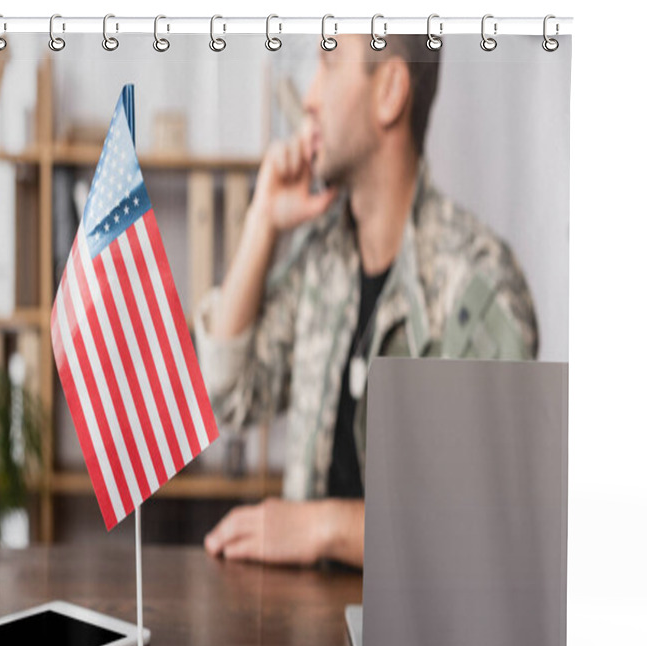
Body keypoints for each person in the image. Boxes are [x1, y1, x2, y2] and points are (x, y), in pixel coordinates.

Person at [195, 35, 538, 569]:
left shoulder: (481, 288)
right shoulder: (320, 259)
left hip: (423, 644)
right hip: (304, 637)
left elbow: (483, 531)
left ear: (390, 92)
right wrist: (262, 223)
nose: (309, 97)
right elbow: (231, 393)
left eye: (329, 62)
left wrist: (321, 528)